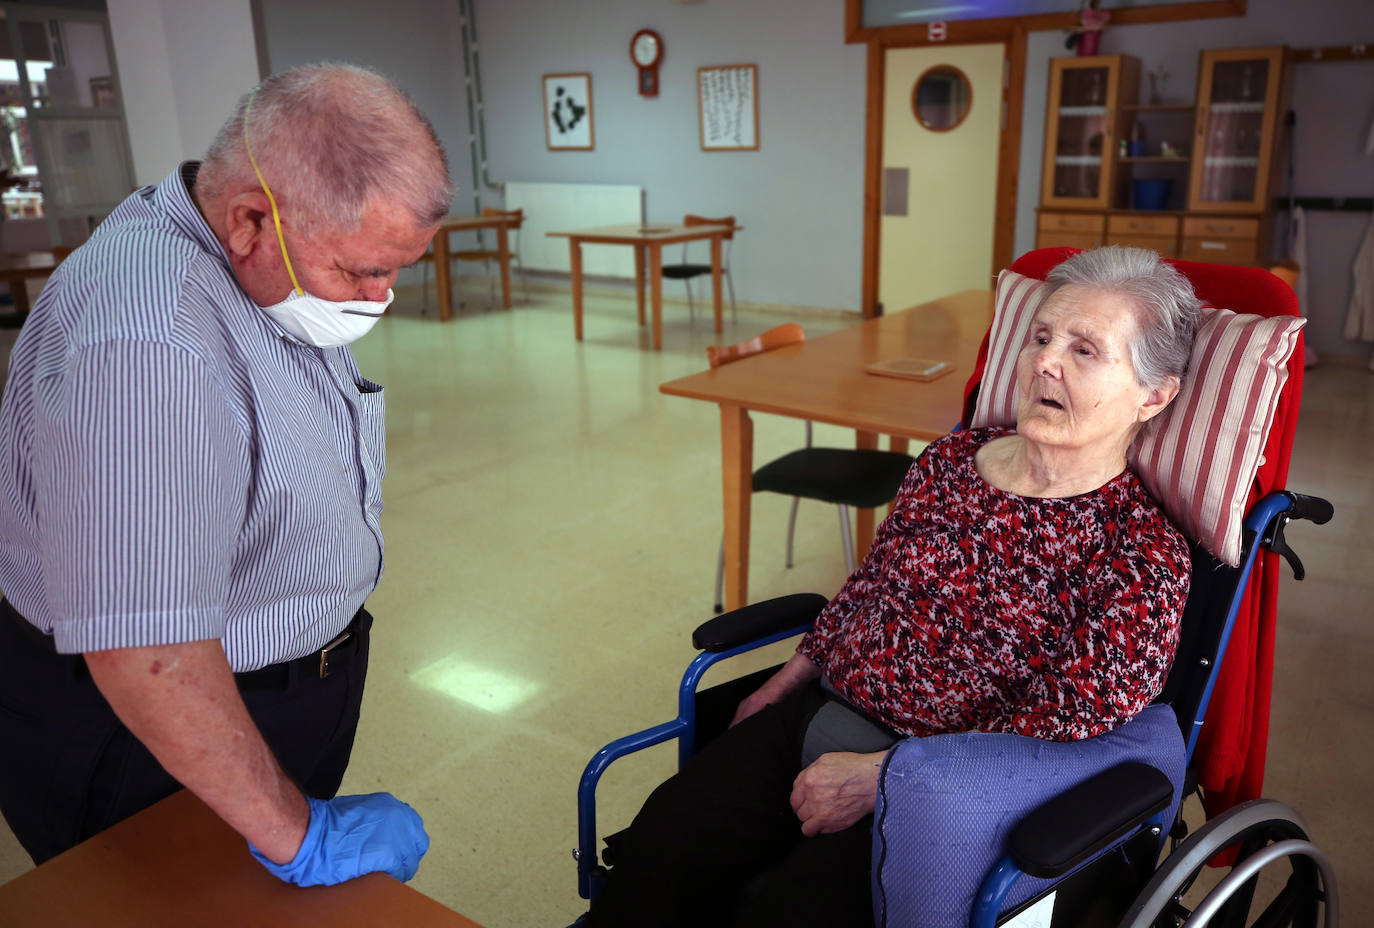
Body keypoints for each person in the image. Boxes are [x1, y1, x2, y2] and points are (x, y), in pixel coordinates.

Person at [585, 245, 1202, 927]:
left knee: (780, 914)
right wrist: (782, 683)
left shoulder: (1142, 554)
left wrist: (884, 778)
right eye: (1041, 336)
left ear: (1155, 394)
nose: (1043, 362)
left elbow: (1062, 723)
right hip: (820, 714)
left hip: (939, 796)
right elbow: (869, 584)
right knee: (658, 850)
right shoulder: (951, 461)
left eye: (1084, 351)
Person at [0, 63, 451, 887]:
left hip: (254, 704)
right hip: (149, 738)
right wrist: (295, 834)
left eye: (396, 271)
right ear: (249, 219)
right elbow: (145, 648)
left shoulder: (238, 258)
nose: (379, 298)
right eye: (358, 272)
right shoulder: (148, 343)